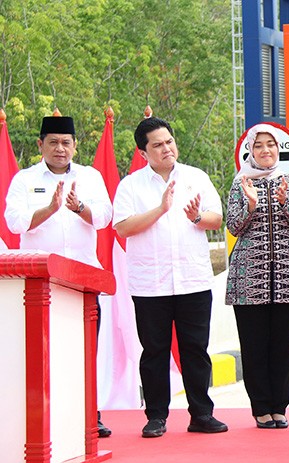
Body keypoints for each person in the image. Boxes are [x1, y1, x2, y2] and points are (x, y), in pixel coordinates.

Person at [113, 117, 227, 438]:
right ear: (143, 152)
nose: (166, 148)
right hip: (151, 284)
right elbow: (123, 228)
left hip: (192, 279)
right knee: (154, 352)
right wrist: (160, 210)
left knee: (196, 349)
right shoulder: (131, 185)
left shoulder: (196, 177)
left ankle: (201, 414)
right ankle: (156, 417)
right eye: (158, 145)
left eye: (169, 141)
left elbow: (216, 218)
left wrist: (196, 217)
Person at [5, 114, 113, 437]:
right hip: (40, 285)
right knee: (43, 354)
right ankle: (46, 419)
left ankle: (88, 416)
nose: (60, 148)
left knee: (85, 352)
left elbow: (104, 217)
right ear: (41, 145)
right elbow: (14, 222)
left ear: (75, 145)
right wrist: (49, 210)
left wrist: (79, 207)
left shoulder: (90, 177)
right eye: (53, 142)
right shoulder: (24, 180)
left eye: (66, 142)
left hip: (82, 282)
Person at [225, 123, 289, 429]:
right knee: (253, 345)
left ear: (279, 149)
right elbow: (233, 226)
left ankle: (279, 406)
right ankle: (261, 407)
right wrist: (250, 204)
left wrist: (285, 202)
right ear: (250, 150)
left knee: (283, 345)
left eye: (270, 145)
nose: (265, 150)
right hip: (249, 276)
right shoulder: (240, 183)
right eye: (259, 145)